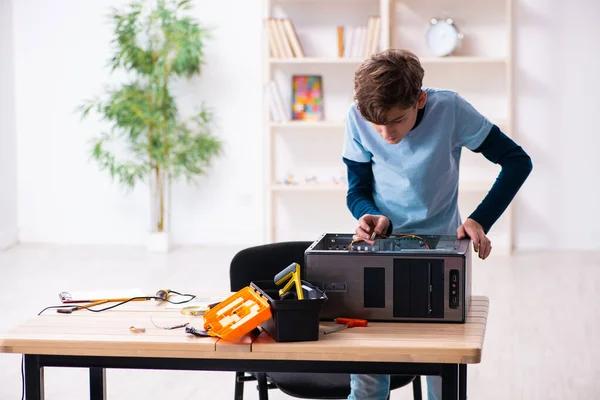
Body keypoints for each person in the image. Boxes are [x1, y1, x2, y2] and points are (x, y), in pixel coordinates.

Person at [342, 49, 533, 400]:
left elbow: (517, 162)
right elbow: (357, 190)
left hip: (442, 254)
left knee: (442, 376)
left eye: (397, 120)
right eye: (377, 124)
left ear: (420, 100)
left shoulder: (451, 109)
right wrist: (368, 212)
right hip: (380, 249)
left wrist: (479, 219)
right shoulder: (357, 116)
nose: (386, 134)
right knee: (367, 376)